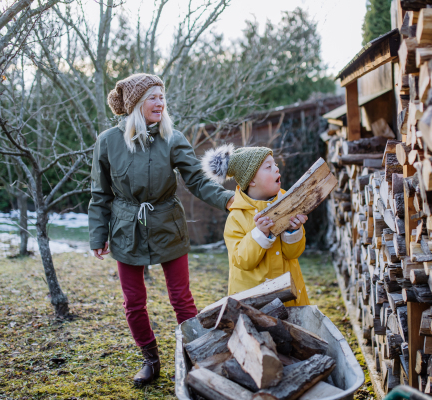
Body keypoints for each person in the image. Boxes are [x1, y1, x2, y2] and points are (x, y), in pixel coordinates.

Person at [88, 73, 234, 386]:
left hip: (167, 223)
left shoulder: (173, 138)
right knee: (133, 302)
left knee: (181, 298)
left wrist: (227, 200)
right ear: (135, 103)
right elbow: (100, 194)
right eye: (152, 96)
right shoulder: (108, 141)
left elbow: (196, 180)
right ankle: (151, 360)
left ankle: (199, 357)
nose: (160, 102)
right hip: (126, 227)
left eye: (161, 96)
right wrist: (98, 235)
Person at [201, 144, 310, 306]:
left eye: (276, 165)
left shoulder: (287, 203)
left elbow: (293, 254)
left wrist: (293, 231)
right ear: (251, 180)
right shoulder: (237, 217)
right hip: (255, 302)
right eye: (268, 167)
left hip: (290, 297)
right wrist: (260, 235)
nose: (276, 169)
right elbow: (242, 260)